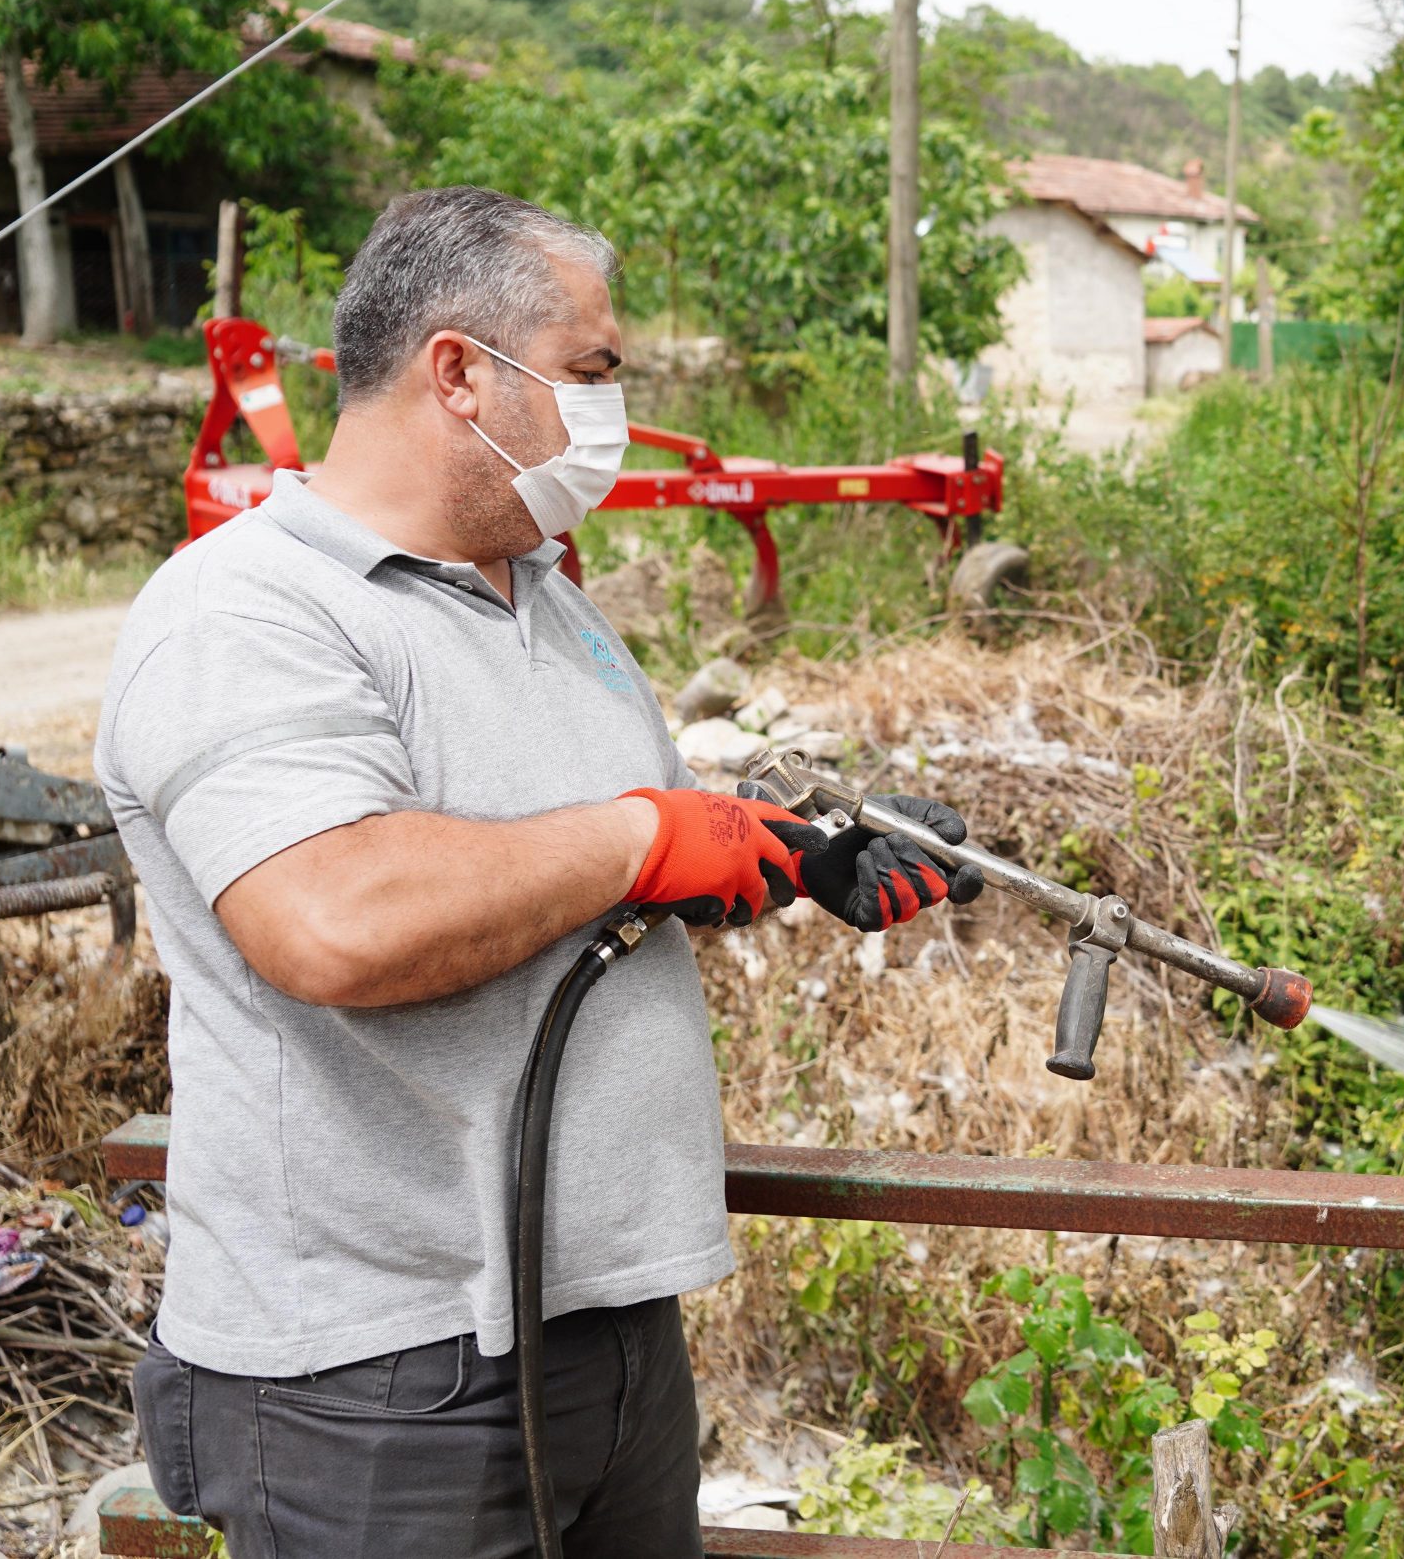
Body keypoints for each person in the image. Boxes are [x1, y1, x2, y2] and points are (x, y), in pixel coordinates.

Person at [94, 186, 981, 1558]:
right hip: (378, 1380)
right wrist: (644, 835)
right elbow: (335, 920)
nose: (613, 407)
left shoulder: (549, 598)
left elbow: (565, 868)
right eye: (593, 372)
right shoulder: (247, 611)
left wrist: (793, 856)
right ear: (459, 372)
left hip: (606, 1334)